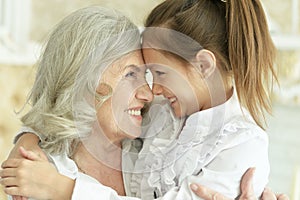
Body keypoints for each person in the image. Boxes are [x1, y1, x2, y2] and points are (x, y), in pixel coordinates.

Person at [0, 1, 289, 200]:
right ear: (85, 82)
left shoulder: (237, 142)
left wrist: (65, 190)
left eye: (155, 74)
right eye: (132, 75)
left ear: (203, 66)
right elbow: (57, 115)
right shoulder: (41, 171)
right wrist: (27, 139)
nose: (150, 93)